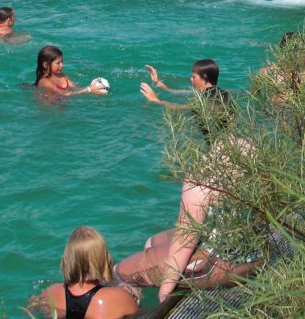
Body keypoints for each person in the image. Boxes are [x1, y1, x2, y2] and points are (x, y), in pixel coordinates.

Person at [114, 137, 261, 304]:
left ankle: (127, 308)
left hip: (220, 267)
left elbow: (185, 241)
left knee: (120, 273)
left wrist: (165, 292)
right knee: (151, 243)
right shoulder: (255, 178)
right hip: (255, 261)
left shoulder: (201, 184)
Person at [31, 226, 138, 319]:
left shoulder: (51, 292)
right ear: (104, 259)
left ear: (67, 259)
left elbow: (30, 308)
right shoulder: (118, 297)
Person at [141, 59, 236, 144]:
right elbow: (174, 91)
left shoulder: (203, 101)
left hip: (217, 145)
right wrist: (157, 82)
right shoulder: (224, 93)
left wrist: (156, 101)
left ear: (205, 78)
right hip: (231, 140)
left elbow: (180, 108)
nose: (191, 80)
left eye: (193, 77)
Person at [34, 45, 107, 97]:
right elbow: (62, 94)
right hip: (52, 110)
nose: (62, 65)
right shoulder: (44, 81)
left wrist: (93, 89)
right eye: (58, 63)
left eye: (62, 62)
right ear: (45, 65)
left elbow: (75, 88)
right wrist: (89, 89)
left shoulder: (62, 76)